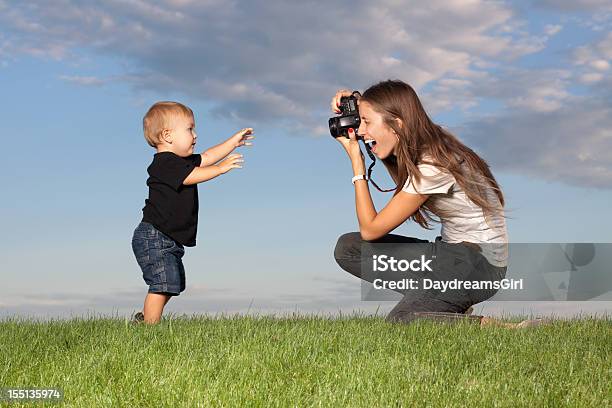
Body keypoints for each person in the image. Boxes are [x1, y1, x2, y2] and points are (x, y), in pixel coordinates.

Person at [331, 80, 542, 328]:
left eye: (366, 122)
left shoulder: (432, 166)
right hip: (451, 255)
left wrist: (357, 162)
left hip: (477, 266)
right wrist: (355, 101)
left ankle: (502, 328)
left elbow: (371, 229)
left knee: (403, 320)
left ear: (397, 124)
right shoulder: (425, 143)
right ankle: (443, 303)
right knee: (349, 248)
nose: (362, 131)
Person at [131, 101, 253, 324]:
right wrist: (221, 169)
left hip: (166, 237)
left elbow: (207, 156)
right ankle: (149, 329)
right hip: (154, 236)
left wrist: (233, 143)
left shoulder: (181, 161)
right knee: (162, 283)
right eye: (189, 129)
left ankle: (145, 318)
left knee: (172, 282)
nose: (195, 135)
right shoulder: (164, 163)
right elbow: (191, 176)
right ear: (167, 135)